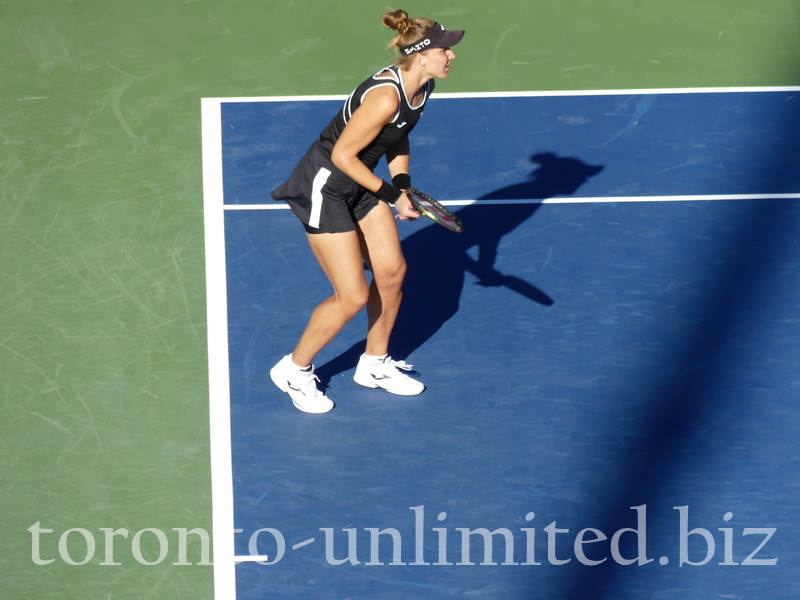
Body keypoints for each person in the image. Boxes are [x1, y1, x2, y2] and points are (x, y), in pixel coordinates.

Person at [268, 9, 465, 413]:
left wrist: (404, 184)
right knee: (353, 294)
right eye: (446, 49)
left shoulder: (421, 88)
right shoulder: (386, 95)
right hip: (326, 185)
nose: (452, 56)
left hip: (358, 180)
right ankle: (293, 369)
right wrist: (392, 197)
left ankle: (374, 364)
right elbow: (342, 154)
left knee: (392, 272)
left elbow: (398, 138)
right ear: (423, 55)